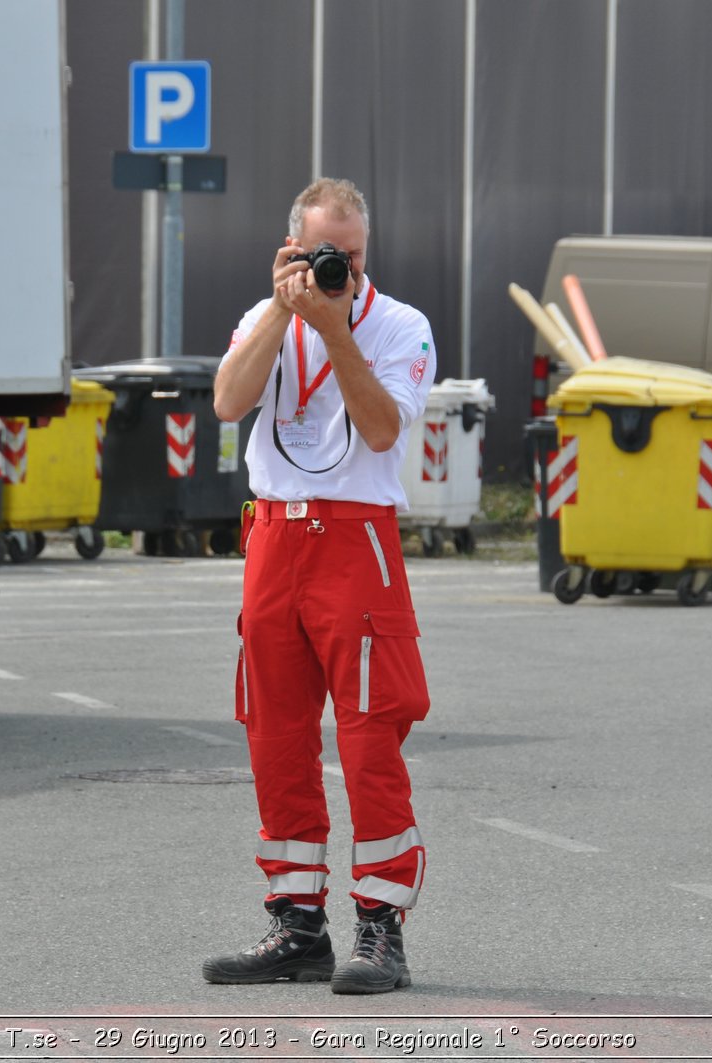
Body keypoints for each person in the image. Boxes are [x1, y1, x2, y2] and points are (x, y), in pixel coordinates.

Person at [202, 178, 435, 995]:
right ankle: (296, 920)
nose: (338, 266)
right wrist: (281, 309)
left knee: (371, 735)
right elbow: (230, 400)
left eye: (352, 254)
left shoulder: (401, 325)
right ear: (291, 247)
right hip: (273, 534)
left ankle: (381, 926)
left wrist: (336, 331)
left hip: (353, 538)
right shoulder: (262, 318)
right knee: (275, 733)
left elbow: (380, 427)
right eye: (319, 253)